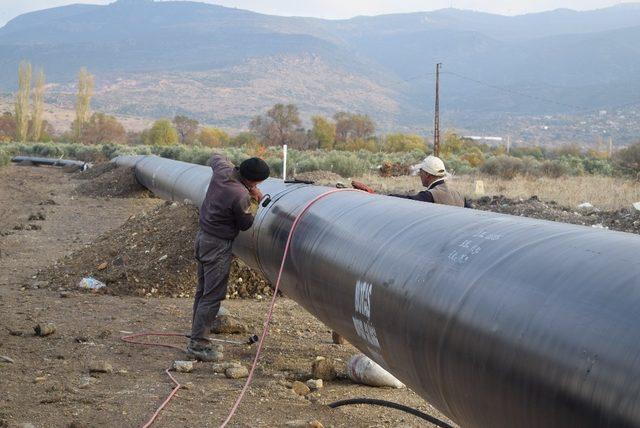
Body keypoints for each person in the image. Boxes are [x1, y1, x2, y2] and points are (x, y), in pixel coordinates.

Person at [187, 154, 270, 361]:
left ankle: (196, 336)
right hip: (217, 245)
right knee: (212, 295)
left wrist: (247, 186)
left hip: (203, 238)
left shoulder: (223, 170)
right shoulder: (239, 195)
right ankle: (198, 345)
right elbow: (245, 224)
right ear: (254, 181)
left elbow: (215, 157)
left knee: (203, 291)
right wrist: (256, 200)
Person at [389, 155, 465, 207]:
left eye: (421, 171)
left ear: (427, 175)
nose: (420, 174)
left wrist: (387, 197)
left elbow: (408, 201)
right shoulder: (459, 195)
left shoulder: (429, 195)